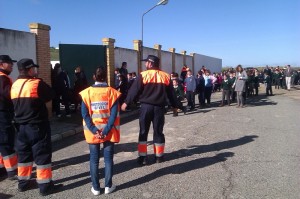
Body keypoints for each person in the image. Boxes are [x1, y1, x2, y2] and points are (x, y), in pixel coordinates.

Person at [10, 58, 61, 196]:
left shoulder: (14, 85)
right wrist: (40, 80)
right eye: (34, 68)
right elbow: (51, 95)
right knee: (42, 155)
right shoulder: (36, 83)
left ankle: (23, 183)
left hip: (20, 128)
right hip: (37, 126)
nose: (35, 70)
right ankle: (45, 187)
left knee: (24, 156)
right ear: (29, 69)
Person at [121, 55, 177, 165]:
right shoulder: (166, 76)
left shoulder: (143, 75)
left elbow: (134, 91)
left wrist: (126, 102)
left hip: (146, 107)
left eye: (146, 62)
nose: (145, 64)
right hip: (159, 109)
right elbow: (172, 94)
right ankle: (159, 157)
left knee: (143, 132)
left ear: (150, 64)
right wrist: (176, 105)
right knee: (158, 132)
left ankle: (143, 158)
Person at [79, 67, 121, 195]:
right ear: (106, 77)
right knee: (108, 159)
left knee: (94, 159)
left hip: (93, 133)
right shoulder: (112, 92)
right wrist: (106, 130)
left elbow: (85, 115)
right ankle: (108, 186)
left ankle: (96, 188)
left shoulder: (86, 93)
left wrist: (93, 130)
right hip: (108, 131)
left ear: (94, 77)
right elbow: (113, 115)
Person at [0, 55, 18, 179]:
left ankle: (2, 168)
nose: (12, 65)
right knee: (7, 141)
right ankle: (12, 172)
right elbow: (9, 95)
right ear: (1, 64)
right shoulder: (3, 79)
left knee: (2, 142)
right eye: (9, 63)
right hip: (3, 114)